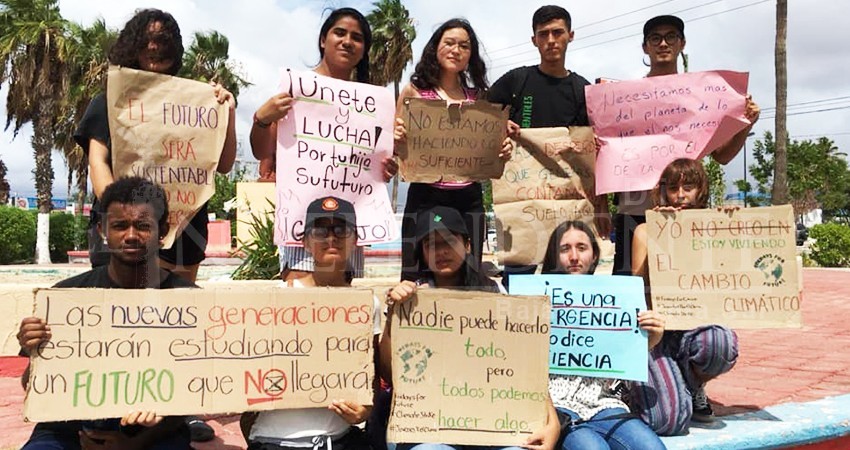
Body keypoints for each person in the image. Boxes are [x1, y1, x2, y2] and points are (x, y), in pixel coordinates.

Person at [17, 176, 195, 450]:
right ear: (102, 229)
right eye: (120, 226)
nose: (131, 235)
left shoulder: (189, 302)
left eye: (143, 226)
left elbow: (196, 392)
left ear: (163, 230)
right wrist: (34, 350)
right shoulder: (64, 299)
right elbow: (32, 384)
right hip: (67, 430)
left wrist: (134, 444)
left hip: (155, 433)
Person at [75, 8, 237, 285]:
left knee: (180, 315)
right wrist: (122, 212)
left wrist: (227, 112)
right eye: (146, 39)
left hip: (185, 231)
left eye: (164, 40)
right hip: (124, 232)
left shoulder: (196, 104)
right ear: (131, 45)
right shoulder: (108, 102)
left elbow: (222, 165)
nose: (154, 47)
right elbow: (98, 161)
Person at [379, 206, 560, 450]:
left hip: (493, 421)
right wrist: (393, 316)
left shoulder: (497, 294)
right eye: (431, 244)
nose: (442, 251)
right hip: (431, 426)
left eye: (450, 241)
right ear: (422, 252)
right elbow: (390, 374)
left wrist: (552, 420)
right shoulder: (412, 300)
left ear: (467, 245)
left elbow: (523, 361)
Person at [251, 7, 398, 282]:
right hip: (302, 227)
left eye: (356, 37)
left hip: (347, 231)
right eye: (339, 33)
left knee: (343, 310)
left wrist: (384, 169)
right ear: (323, 39)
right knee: (300, 307)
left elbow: (377, 167)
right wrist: (261, 118)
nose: (347, 41)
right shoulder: (296, 91)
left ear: (364, 49)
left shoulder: (373, 105)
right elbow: (261, 152)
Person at [612, 14, 760, 277]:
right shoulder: (625, 98)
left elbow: (722, 156)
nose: (663, 43)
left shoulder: (702, 96)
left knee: (686, 283)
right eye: (655, 38)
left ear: (682, 43)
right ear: (645, 47)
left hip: (684, 210)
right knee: (631, 289)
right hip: (635, 210)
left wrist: (746, 124)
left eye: (671, 37)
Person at [241, 195, 379, 450]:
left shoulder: (366, 305)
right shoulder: (274, 301)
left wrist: (364, 409)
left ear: (355, 240)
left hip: (337, 441)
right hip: (271, 441)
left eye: (340, 229)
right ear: (304, 242)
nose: (331, 237)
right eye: (320, 230)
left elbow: (371, 371)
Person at [487, 5, 610, 288]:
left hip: (571, 208)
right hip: (522, 206)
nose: (551, 40)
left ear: (571, 36)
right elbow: (480, 119)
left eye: (558, 32)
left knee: (572, 287)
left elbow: (594, 155)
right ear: (534, 40)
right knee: (520, 290)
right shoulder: (516, 81)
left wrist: (602, 206)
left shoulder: (582, 89)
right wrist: (499, 125)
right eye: (544, 34)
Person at [393, 18, 513, 282]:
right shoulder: (413, 92)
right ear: (436, 47)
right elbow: (396, 148)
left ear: (471, 55)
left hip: (468, 198)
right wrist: (397, 138)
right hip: (424, 195)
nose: (456, 50)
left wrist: (503, 149)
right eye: (449, 43)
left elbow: (492, 150)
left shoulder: (480, 98)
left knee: (470, 274)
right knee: (413, 273)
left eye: (464, 46)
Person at [629, 158, 739, 435]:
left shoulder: (716, 226)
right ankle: (661, 384)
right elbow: (636, 287)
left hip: (695, 327)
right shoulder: (644, 231)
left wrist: (733, 223)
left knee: (720, 344)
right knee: (668, 420)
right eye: (674, 188)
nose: (680, 195)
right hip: (658, 334)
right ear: (663, 191)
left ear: (701, 190)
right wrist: (661, 235)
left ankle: (692, 385)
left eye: (688, 187)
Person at [540, 221, 666, 450]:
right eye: (565, 249)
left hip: (604, 403)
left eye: (582, 247)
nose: (574, 256)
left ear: (595, 255)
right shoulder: (534, 299)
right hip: (558, 408)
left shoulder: (615, 299)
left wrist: (653, 335)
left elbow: (625, 353)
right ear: (553, 255)